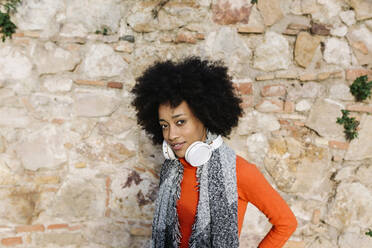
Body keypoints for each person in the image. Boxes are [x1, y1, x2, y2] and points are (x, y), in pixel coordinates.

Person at [131, 57, 297, 248]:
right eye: (164, 125)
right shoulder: (172, 169)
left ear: (203, 116)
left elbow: (286, 223)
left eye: (180, 122)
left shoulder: (240, 172)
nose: (171, 135)